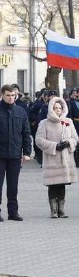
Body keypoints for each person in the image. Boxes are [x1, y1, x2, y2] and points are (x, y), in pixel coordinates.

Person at [35, 96, 79, 218]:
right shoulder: (44, 123)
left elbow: (75, 138)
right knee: (53, 184)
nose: (58, 110)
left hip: (65, 158)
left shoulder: (68, 122)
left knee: (62, 184)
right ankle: (53, 210)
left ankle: (61, 210)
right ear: (50, 108)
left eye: (60, 108)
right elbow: (39, 140)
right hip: (52, 158)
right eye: (55, 108)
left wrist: (68, 143)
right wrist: (54, 146)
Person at [0, 84, 32, 221]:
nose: (11, 98)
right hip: (0, 154)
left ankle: (13, 212)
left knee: (13, 186)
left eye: (13, 95)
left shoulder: (20, 111)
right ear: (2, 95)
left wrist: (27, 152)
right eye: (8, 95)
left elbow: (26, 132)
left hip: (14, 154)